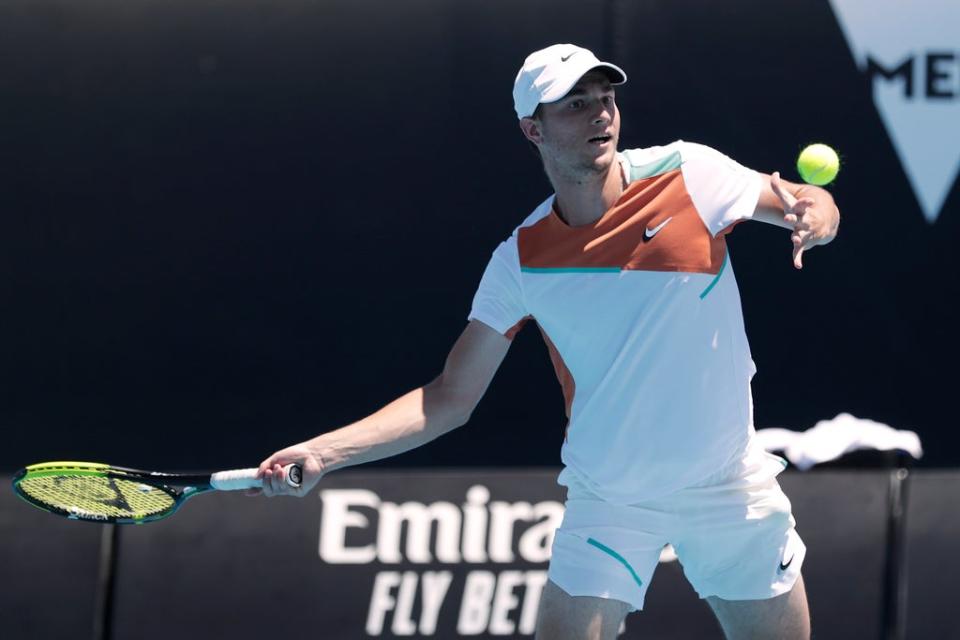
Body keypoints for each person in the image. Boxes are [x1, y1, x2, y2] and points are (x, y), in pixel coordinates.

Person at [255, 43, 839, 640]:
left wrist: (816, 218)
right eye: (576, 104)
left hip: (728, 485)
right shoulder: (519, 260)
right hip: (610, 499)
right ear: (533, 129)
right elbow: (449, 398)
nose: (601, 114)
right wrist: (325, 452)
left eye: (606, 99)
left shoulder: (690, 174)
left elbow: (806, 198)